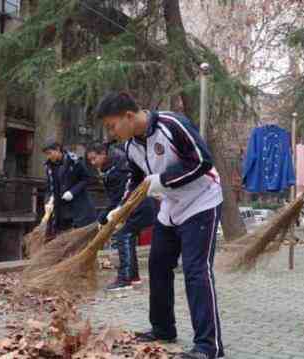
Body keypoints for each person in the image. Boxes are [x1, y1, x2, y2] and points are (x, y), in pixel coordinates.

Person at [95, 92, 224, 359]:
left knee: (196, 271)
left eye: (112, 125)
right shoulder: (130, 145)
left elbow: (202, 161)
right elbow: (137, 180)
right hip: (170, 206)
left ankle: (209, 347)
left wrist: (163, 180)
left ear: (129, 116)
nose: (110, 133)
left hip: (202, 200)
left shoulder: (172, 124)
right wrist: (121, 209)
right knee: (158, 264)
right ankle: (163, 328)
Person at [86, 142, 156, 291]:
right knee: (127, 237)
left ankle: (125, 278)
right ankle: (133, 277)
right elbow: (115, 195)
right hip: (130, 205)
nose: (92, 163)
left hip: (138, 205)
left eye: (94, 158)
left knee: (124, 235)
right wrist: (106, 215)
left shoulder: (121, 165)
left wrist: (110, 213)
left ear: (103, 154)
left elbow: (123, 192)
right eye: (90, 160)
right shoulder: (109, 166)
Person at [42, 139, 96, 235]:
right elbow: (49, 186)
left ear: (58, 149)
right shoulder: (49, 166)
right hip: (61, 210)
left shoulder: (74, 161)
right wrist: (48, 201)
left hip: (79, 207)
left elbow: (87, 179)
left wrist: (72, 192)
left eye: (50, 153)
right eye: (46, 154)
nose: (48, 157)